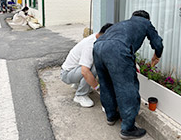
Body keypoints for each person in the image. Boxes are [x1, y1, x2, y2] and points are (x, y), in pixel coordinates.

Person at [93, 10, 163, 139]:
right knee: (127, 88)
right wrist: (157, 55)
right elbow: (157, 43)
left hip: (98, 47)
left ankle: (111, 116)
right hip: (116, 49)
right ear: (147, 19)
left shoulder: (123, 24)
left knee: (106, 83)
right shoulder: (145, 23)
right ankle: (128, 128)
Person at [60, 23, 113, 108]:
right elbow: (85, 72)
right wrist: (99, 89)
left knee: (92, 65)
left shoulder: (96, 37)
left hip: (72, 70)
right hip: (66, 74)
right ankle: (80, 95)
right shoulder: (90, 45)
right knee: (92, 68)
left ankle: (79, 85)